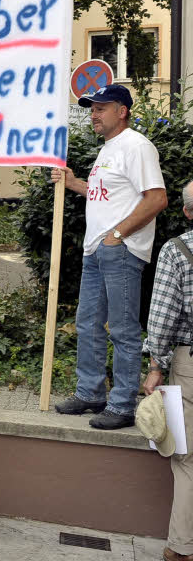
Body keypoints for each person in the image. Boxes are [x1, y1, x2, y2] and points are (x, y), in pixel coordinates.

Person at [52, 84, 168, 429]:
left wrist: (117, 236)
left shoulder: (136, 146)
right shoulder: (109, 150)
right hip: (97, 250)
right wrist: (74, 184)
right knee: (88, 325)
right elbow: (107, 194)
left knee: (123, 329)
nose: (94, 114)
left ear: (122, 111)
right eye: (91, 109)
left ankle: (122, 405)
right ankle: (90, 393)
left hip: (120, 251)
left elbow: (157, 198)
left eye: (101, 108)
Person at [141, 181, 193, 561]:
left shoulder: (178, 251)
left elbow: (162, 317)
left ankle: (183, 550)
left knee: (188, 459)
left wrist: (156, 366)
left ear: (188, 212)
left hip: (187, 363)